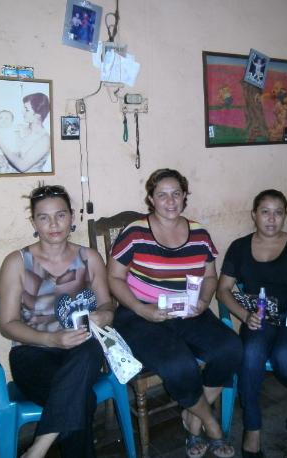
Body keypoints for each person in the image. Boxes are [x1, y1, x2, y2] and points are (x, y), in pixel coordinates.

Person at [107, 168, 240, 458]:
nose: (170, 201)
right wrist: (141, 309)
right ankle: (210, 423)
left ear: (184, 197)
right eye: (162, 195)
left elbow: (210, 277)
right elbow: (114, 278)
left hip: (188, 309)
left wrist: (203, 301)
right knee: (179, 364)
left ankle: (192, 417)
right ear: (151, 199)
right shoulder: (135, 232)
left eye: (176, 194)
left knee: (231, 348)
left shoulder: (199, 233)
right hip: (139, 315)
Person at [0, 185, 114, 458]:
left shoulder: (90, 258)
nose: (53, 224)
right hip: (33, 352)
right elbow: (7, 324)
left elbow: (108, 305)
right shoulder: (17, 262)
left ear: (71, 217)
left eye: (60, 215)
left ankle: (39, 448)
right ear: (33, 222)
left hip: (82, 350)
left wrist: (105, 315)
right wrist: (51, 339)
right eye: (44, 217)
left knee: (91, 347)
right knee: (82, 398)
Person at [217, 189, 287, 458]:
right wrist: (244, 315)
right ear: (254, 215)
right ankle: (252, 427)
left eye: (278, 213)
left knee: (284, 357)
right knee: (251, 353)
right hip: (260, 318)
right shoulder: (239, 248)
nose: (272, 219)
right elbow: (223, 290)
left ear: (285, 215)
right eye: (265, 212)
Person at [0, 93, 51, 173]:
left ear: (38, 115)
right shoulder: (18, 128)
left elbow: (22, 166)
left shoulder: (44, 139)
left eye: (26, 110)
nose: (22, 112)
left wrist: (0, 144)